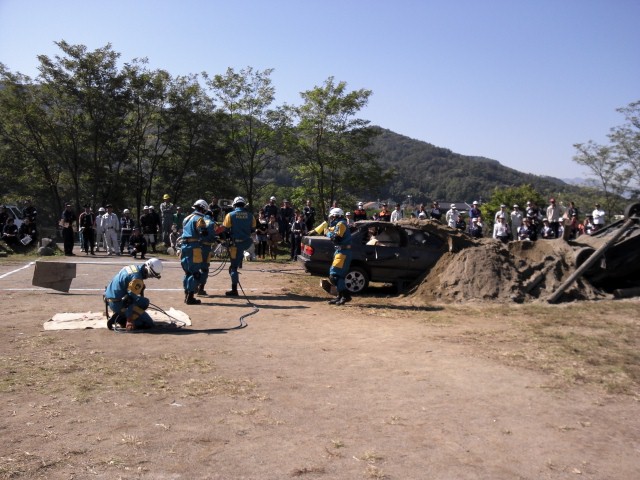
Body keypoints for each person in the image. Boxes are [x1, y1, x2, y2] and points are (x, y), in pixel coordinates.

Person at [104, 258, 162, 331]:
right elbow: (129, 300)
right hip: (118, 303)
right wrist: (129, 320)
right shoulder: (137, 280)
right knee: (148, 323)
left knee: (145, 302)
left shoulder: (133, 268)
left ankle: (122, 314)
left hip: (110, 298)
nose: (150, 277)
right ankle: (121, 319)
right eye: (151, 275)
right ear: (148, 270)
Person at [220, 196, 256, 296]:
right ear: (243, 205)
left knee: (233, 268)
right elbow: (253, 229)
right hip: (246, 243)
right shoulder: (250, 215)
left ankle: (234, 290)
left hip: (235, 244)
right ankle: (239, 264)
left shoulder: (230, 215)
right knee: (235, 263)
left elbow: (225, 229)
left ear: (234, 205)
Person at [180, 200, 209, 305]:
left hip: (183, 246)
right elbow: (203, 233)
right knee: (195, 273)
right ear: (203, 208)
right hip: (194, 246)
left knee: (187, 272)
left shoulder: (186, 218)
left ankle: (186, 294)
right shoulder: (200, 219)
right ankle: (190, 297)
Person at [325, 208, 353, 306]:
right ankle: (340, 296)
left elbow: (336, 238)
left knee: (335, 275)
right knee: (337, 276)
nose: (331, 218)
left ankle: (345, 296)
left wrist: (327, 233)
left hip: (343, 252)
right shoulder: (339, 224)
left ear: (336, 216)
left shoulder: (341, 224)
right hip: (340, 251)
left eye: (332, 216)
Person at [196, 209, 219, 296]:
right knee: (204, 268)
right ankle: (201, 289)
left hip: (196, 246)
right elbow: (213, 236)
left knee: (195, 267)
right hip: (206, 248)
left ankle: (194, 286)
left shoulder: (199, 219)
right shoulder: (212, 223)